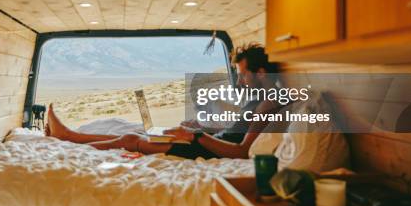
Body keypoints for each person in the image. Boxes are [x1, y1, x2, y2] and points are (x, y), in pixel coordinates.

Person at [46, 44, 281, 160]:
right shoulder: (262, 99)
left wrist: (195, 136)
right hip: (211, 142)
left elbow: (241, 152)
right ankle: (70, 137)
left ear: (260, 73)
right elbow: (236, 132)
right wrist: (204, 127)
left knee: (132, 139)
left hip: (212, 151)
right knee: (141, 133)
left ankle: (69, 142)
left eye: (243, 74)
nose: (240, 81)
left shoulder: (268, 104)